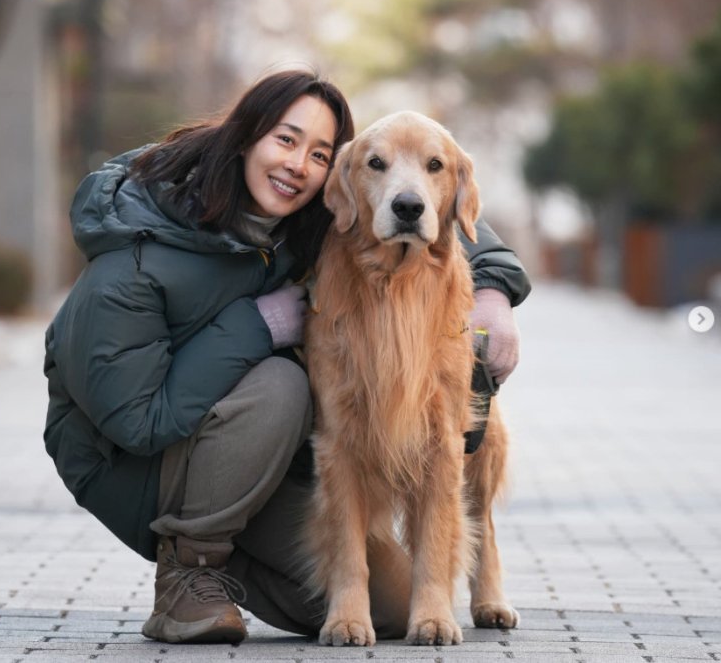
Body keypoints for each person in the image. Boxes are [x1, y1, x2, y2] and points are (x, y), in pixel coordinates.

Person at [43, 69, 532, 645]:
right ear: (246, 136)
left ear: (335, 176)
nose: (299, 164)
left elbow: (421, 197)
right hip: (128, 460)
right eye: (285, 139)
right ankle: (189, 573)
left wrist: (495, 291)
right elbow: (138, 423)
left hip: (254, 453)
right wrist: (259, 325)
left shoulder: (309, 208)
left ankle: (235, 562)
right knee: (282, 387)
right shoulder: (132, 260)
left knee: (394, 610)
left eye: (320, 152)